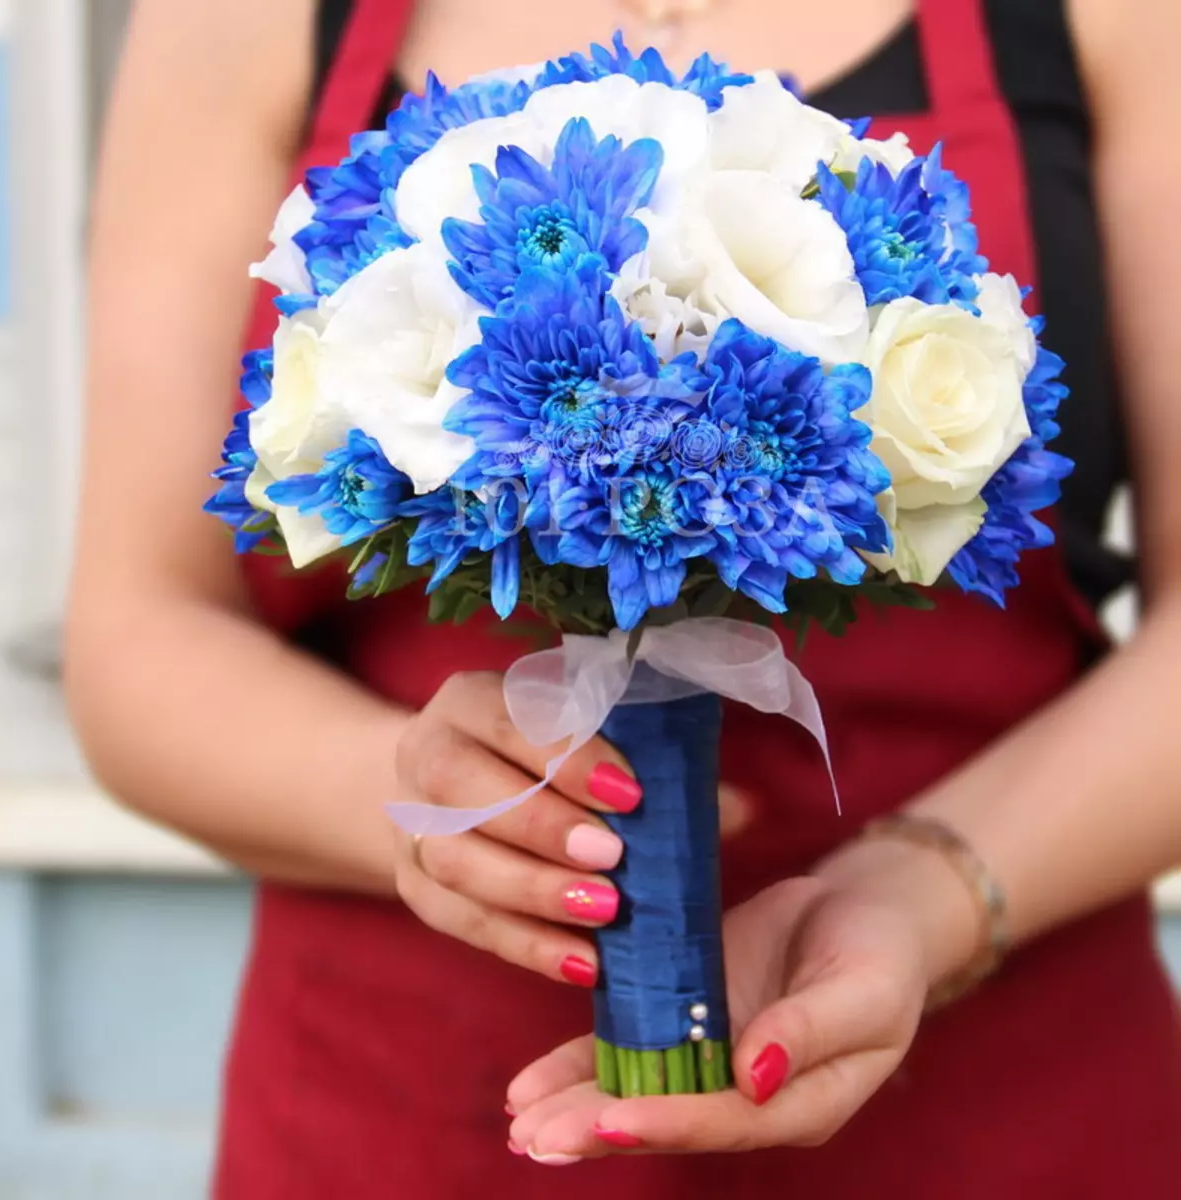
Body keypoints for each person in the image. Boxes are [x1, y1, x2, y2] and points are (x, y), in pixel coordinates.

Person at [67, 0, 1181, 1194]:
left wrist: (928, 893)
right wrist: (436, 811)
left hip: (1002, 1096)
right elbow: (140, 633)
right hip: (408, 1105)